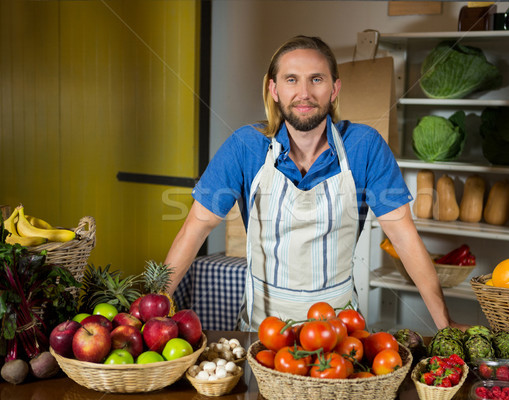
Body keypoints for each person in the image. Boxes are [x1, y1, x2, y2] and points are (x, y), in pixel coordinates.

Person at [165, 35, 466, 332]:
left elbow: (404, 238)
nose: (304, 93)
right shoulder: (246, 146)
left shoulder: (364, 146)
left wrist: (444, 322)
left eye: (317, 79)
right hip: (261, 336)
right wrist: (155, 305)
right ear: (274, 89)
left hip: (341, 337)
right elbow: (194, 229)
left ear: (335, 88)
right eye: (292, 80)